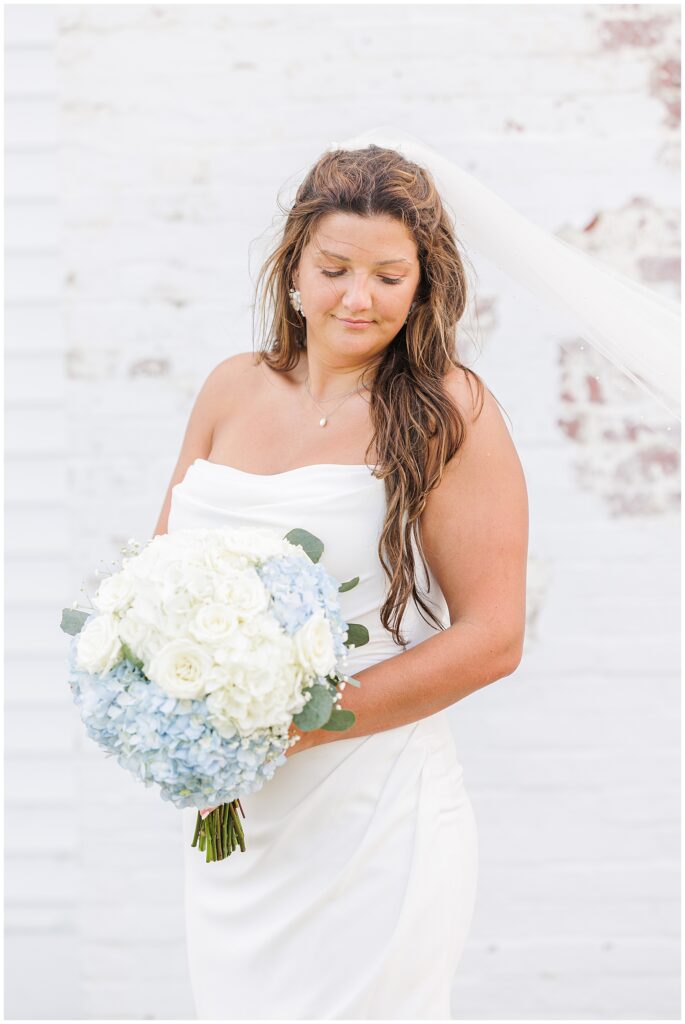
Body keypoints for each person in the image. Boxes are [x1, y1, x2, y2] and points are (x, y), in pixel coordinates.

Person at [153, 143, 528, 1019]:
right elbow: (160, 579)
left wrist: (297, 728)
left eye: (389, 277)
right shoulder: (229, 389)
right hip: (234, 819)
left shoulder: (448, 411)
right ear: (291, 270)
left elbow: (493, 637)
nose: (358, 299)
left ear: (422, 287)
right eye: (334, 269)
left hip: (369, 811)